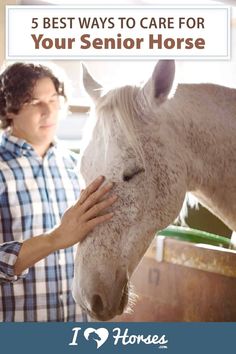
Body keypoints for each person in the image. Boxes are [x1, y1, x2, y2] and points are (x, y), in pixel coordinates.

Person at [0, 62, 117, 322]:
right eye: (34, 102)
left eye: (53, 99)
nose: (49, 111)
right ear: (9, 109)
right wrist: (56, 238)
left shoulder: (77, 166)